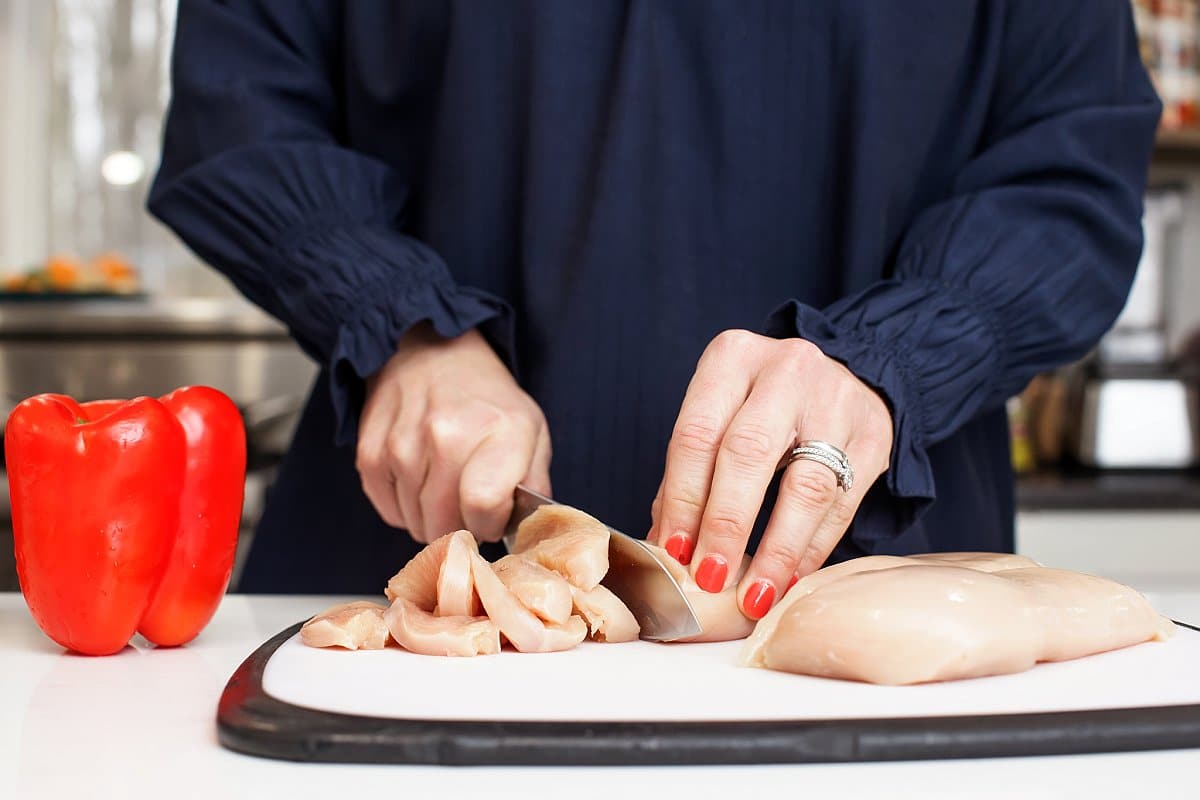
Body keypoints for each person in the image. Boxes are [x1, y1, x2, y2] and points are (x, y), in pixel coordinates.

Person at [149, 1, 1159, 620]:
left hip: (881, 608)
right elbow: (240, 108)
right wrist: (401, 321)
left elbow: (1072, 172)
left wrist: (894, 357)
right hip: (403, 588)